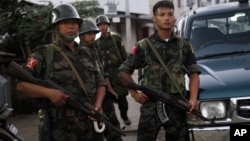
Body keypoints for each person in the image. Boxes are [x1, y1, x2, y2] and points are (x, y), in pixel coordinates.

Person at [15, 3, 106, 141]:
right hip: (60, 130)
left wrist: (98, 106)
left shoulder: (88, 53)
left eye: (75, 23)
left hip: (90, 125)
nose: (71, 27)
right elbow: (21, 85)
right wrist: (49, 93)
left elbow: (100, 82)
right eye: (66, 23)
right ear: (55, 27)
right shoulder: (43, 54)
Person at [118, 1, 201, 141]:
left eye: (170, 14)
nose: (167, 18)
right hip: (151, 105)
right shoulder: (144, 46)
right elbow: (123, 72)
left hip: (177, 103)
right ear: (154, 19)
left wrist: (193, 98)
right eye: (162, 15)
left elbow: (194, 73)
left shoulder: (184, 45)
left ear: (174, 17)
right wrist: (134, 94)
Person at [78, 19, 123, 141]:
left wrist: (110, 89)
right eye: (89, 34)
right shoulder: (77, 53)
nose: (92, 36)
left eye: (94, 33)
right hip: (89, 98)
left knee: (113, 129)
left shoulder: (95, 50)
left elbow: (103, 72)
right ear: (81, 35)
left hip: (104, 96)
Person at [95, 15, 131, 125]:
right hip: (105, 74)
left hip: (117, 72)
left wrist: (126, 70)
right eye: (100, 25)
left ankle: (124, 116)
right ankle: (112, 122)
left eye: (104, 25)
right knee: (108, 100)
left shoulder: (116, 39)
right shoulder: (97, 43)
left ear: (108, 26)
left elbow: (124, 55)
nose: (103, 27)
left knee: (122, 99)